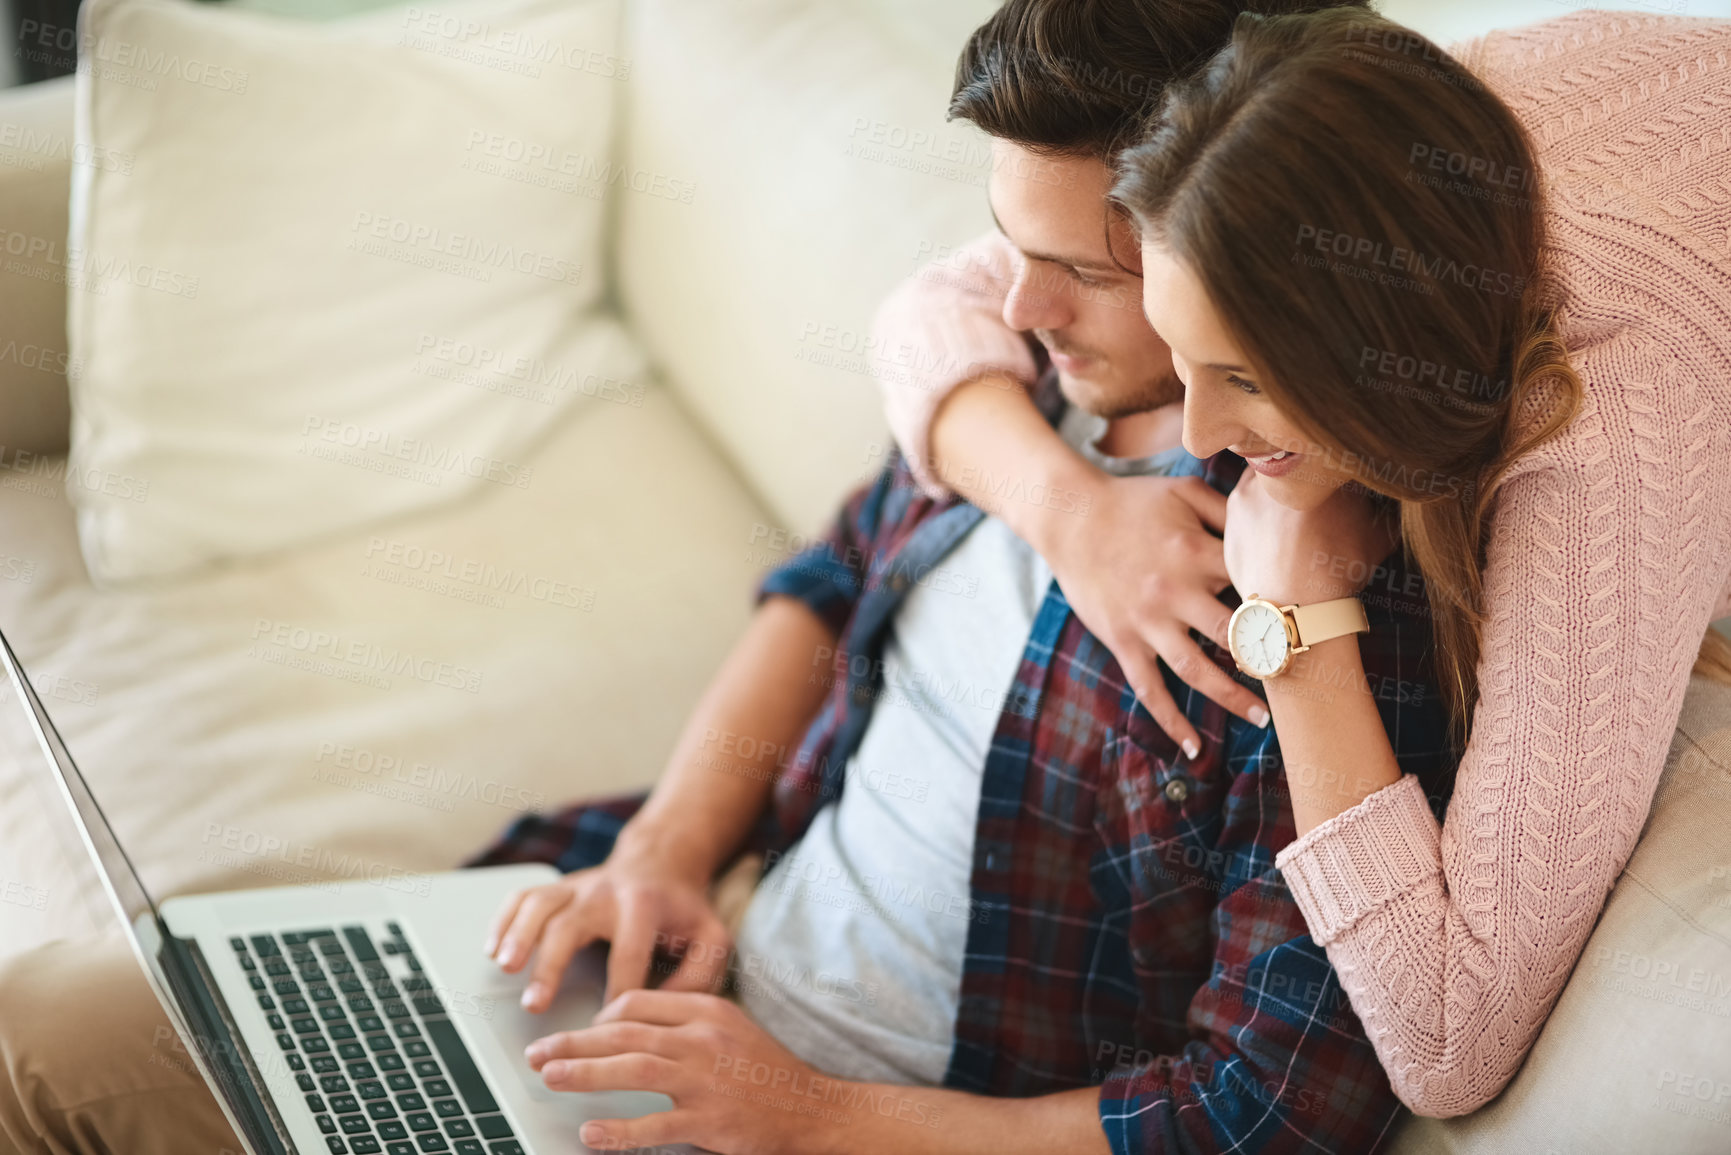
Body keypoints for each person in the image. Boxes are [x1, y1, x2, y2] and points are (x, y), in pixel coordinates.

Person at [0, 4, 1444, 1154]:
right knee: (44, 1032)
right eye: (1009, 247)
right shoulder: (1032, 390)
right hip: (683, 952)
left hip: (844, 1116)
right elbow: (826, 578)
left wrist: (815, 1119)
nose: (1015, 304)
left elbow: (1271, 1103)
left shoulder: (1300, 607)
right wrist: (667, 851)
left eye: (1078, 268)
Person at [872, 1, 1731, 1119]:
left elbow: (1449, 1036)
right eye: (1181, 355)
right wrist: (1076, 516)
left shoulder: (1607, 419)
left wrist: (1295, 618)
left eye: (1241, 378)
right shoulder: (1303, 153)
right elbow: (934, 305)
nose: (1195, 437)